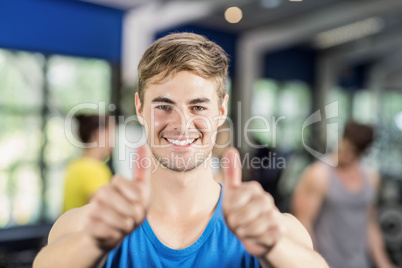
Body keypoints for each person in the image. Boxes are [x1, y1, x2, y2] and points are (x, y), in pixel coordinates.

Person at [34, 33, 327, 268]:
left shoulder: (273, 230)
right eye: (164, 106)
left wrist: (273, 246)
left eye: (198, 106)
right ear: (139, 107)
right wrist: (93, 243)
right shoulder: (88, 227)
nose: (181, 124)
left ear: (222, 110)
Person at [292, 121, 396, 268]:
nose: (346, 154)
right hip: (327, 263)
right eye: (345, 147)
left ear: (362, 152)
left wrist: (384, 263)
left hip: (360, 264)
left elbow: (370, 224)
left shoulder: (371, 179)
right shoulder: (319, 175)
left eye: (353, 152)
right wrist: (313, 263)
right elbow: (303, 223)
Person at [62, 114, 114, 213]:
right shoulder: (95, 169)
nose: (113, 139)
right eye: (110, 133)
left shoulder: (73, 166)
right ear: (99, 134)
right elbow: (101, 214)